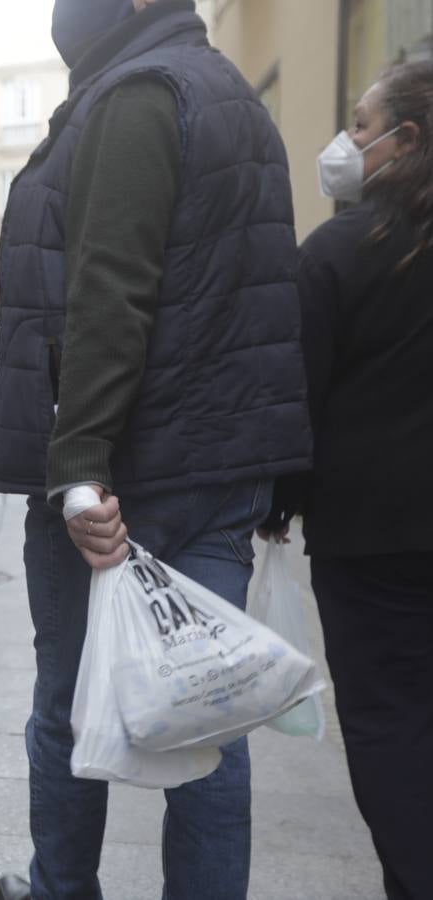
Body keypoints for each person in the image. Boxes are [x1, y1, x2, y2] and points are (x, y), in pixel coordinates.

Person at [0, 2, 311, 898]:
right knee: (208, 714)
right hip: (216, 463)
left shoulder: (137, 93)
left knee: (64, 706)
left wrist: (79, 464)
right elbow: (263, 301)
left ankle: (62, 890)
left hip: (131, 470)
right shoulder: (233, 97)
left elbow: (110, 292)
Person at [260, 61, 433, 900]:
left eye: (362, 126)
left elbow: (298, 397)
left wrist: (277, 504)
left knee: (391, 727)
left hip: (375, 541)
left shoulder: (338, 253)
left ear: (406, 142)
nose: (347, 141)